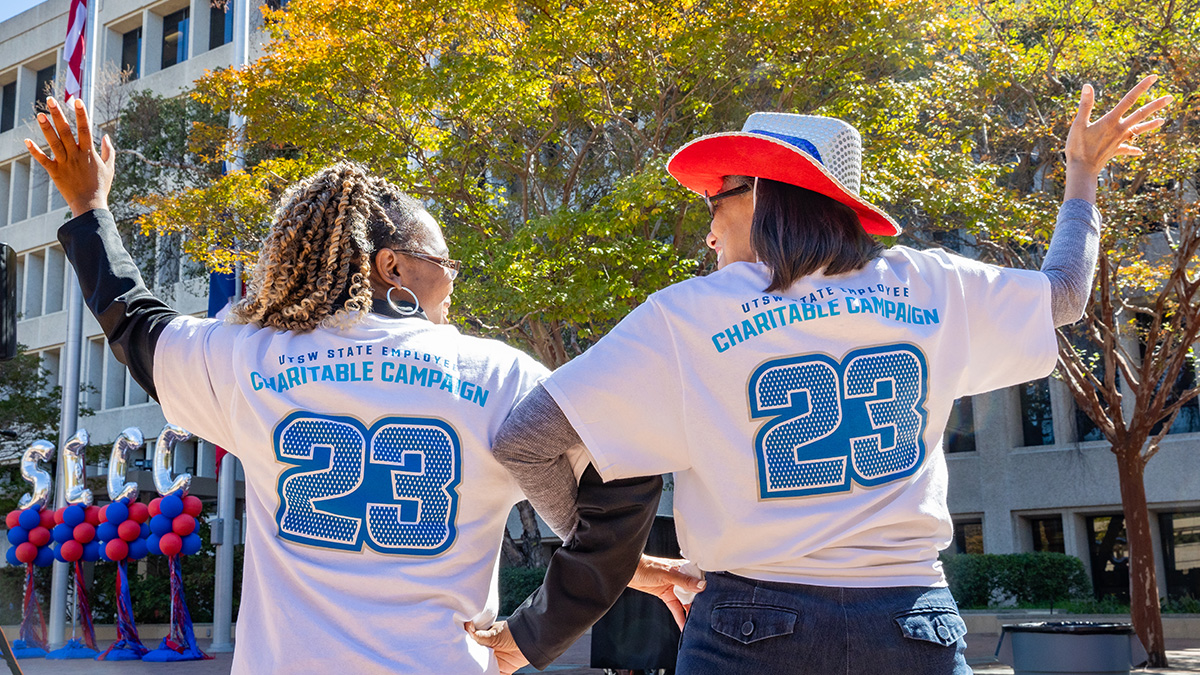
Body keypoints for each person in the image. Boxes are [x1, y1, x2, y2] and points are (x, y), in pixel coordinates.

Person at [472, 76, 1173, 674]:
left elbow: (525, 439)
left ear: (770, 196)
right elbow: (1066, 294)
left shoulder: (688, 315)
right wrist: (1081, 176)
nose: (709, 225)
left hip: (750, 623)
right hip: (913, 622)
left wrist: (618, 561)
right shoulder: (931, 284)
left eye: (719, 197)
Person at [27, 96, 695, 674]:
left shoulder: (249, 360)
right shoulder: (500, 376)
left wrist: (89, 206)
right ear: (392, 265)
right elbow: (615, 477)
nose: (454, 274)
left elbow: (134, 322)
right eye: (444, 258)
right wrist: (615, 568)